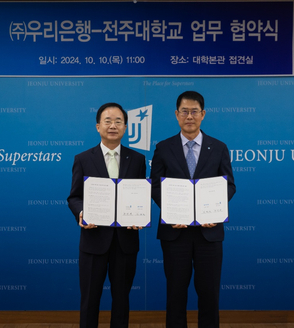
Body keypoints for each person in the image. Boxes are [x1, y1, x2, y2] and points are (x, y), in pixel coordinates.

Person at [150, 91, 236, 328]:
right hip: (175, 232)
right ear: (176, 115)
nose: (189, 116)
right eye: (184, 111)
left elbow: (229, 185)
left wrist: (215, 212)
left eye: (194, 111)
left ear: (203, 114)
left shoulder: (218, 147)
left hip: (209, 233)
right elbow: (155, 185)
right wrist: (170, 210)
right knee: (176, 293)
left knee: (209, 294)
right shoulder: (163, 148)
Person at [68, 102, 147, 328]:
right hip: (93, 240)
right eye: (108, 121)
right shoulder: (83, 159)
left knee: (121, 300)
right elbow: (74, 197)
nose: (113, 125)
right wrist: (82, 213)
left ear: (125, 127)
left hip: (125, 241)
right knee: (90, 299)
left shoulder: (138, 159)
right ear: (98, 127)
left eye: (118, 121)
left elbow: (139, 194)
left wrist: (139, 217)